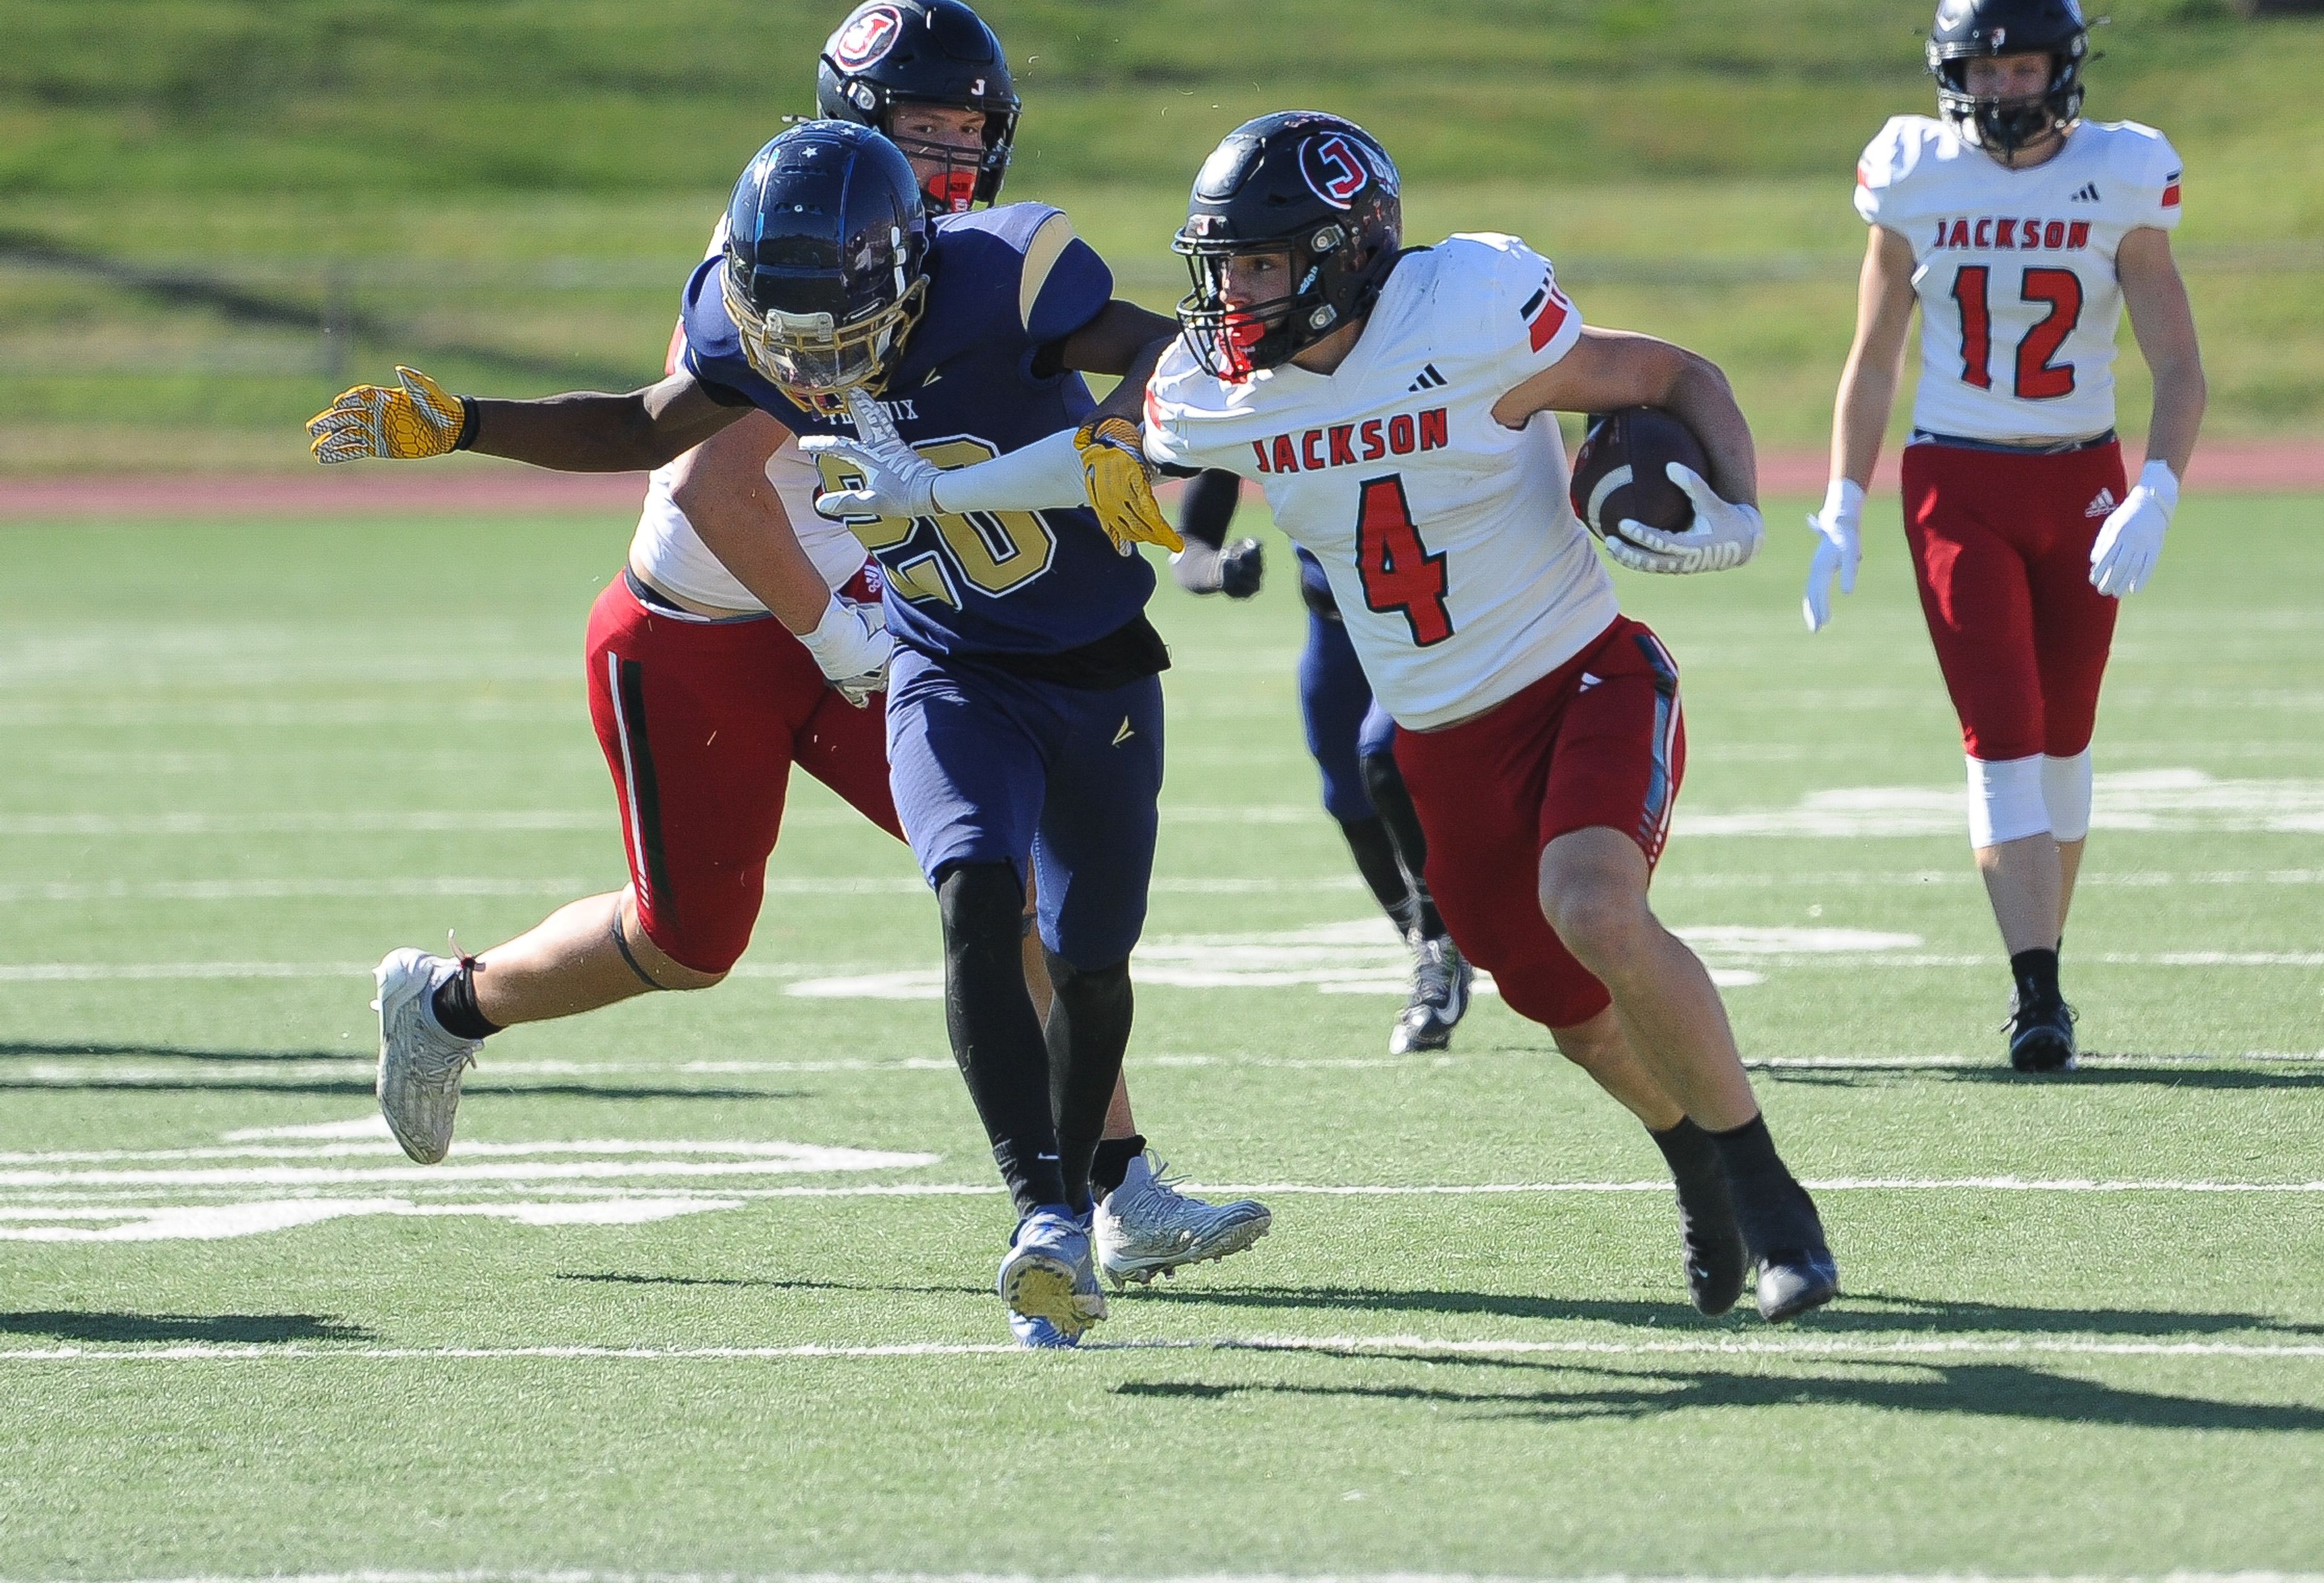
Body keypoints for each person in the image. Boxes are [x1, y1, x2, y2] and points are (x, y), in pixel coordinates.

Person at [821, 111, 1840, 1322]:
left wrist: (1739, 510)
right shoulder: (1219, 387)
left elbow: (1677, 376)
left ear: (1347, 251)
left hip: (1580, 673)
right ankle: (1697, 1166)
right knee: (1570, 1018)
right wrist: (936, 491)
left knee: (1594, 906)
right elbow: (1102, 463)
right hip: (1436, 737)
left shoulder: (1468, 313)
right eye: (1220, 264)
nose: (1230, 292)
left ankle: (1778, 1206)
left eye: (1259, 263)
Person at [310, 105, 1261, 1344]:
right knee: (690, 942)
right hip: (711, 634)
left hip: (885, 621)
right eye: (920, 125)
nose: (814, 378)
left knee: (1011, 886)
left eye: (960, 125)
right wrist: (472, 424)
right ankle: (450, 1005)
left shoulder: (973, 266)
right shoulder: (776, 264)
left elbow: (1168, 350)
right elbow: (677, 453)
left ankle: (1108, 1187)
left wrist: (1118, 436)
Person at [1803, 0, 2206, 1072]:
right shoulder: (1914, 170)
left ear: (2061, 68)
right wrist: (1844, 500)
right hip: (1956, 482)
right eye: (1984, 67)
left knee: (2066, 742)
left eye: (2021, 65)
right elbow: (1873, 356)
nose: (2003, 86)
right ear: (1953, 73)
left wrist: (2157, 488)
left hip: (2081, 479)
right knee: (2005, 734)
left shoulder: (2120, 171)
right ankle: (2039, 992)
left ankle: (2041, 954)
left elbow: (2177, 364)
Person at [1168, 472, 1474, 1054]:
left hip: (1435, 617)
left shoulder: (1409, 380)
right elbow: (1192, 538)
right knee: (1348, 801)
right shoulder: (1251, 388)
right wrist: (1217, 568)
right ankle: (1432, 949)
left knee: (1381, 761)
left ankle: (1440, 945)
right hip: (1334, 627)